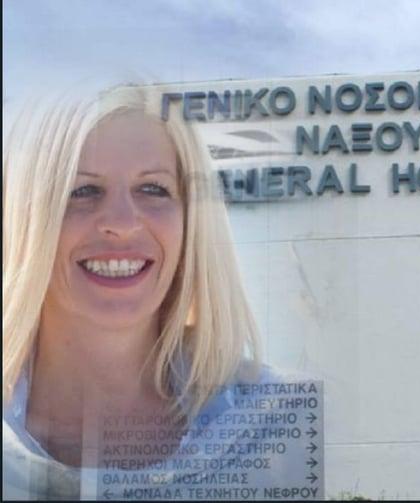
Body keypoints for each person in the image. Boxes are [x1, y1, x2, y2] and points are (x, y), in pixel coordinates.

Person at [2, 86, 316, 500]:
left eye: (153, 189)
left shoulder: (288, 424)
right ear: (22, 220)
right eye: (81, 190)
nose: (122, 223)